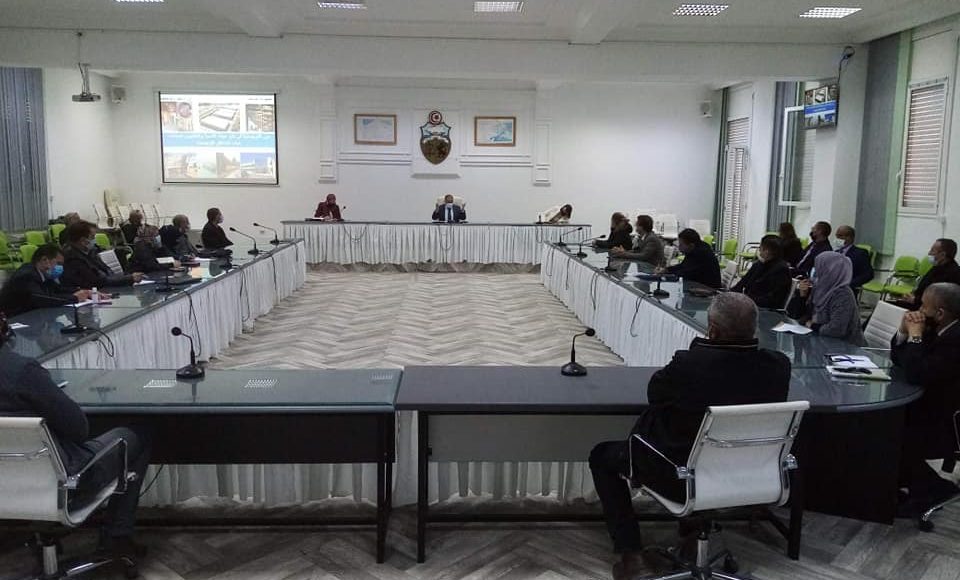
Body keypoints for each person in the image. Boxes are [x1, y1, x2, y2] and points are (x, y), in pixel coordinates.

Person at [589, 293, 790, 579]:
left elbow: (655, 393)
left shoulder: (690, 365)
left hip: (681, 477)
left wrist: (699, 348)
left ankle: (631, 555)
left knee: (602, 456)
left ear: (713, 330)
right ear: (755, 329)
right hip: (748, 476)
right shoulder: (779, 367)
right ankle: (694, 535)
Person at [0, 310, 151, 559]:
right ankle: (116, 536)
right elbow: (79, 430)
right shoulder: (22, 370)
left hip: (7, 484)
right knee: (137, 435)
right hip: (68, 481)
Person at [892, 283, 960, 516]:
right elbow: (901, 361)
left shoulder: (955, 339)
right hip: (930, 401)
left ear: (940, 313)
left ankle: (925, 493)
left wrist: (915, 337)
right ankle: (914, 481)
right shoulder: (938, 328)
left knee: (896, 427)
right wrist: (904, 332)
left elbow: (916, 372)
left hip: (947, 417)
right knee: (890, 420)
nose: (919, 311)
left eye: (923, 306)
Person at [787, 251, 865, 345]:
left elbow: (836, 330)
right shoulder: (820, 287)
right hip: (820, 341)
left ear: (830, 271)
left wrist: (813, 325)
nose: (816, 271)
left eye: (819, 267)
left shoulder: (843, 295)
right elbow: (797, 316)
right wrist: (802, 297)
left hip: (845, 347)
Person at [0, 245, 91, 316]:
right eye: (58, 263)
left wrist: (84, 291)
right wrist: (74, 298)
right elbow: (43, 299)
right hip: (14, 319)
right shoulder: (26, 275)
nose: (61, 268)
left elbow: (58, 289)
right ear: (44, 260)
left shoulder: (42, 274)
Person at [62, 222, 142, 289]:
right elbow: (98, 282)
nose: (94, 240)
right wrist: (129, 279)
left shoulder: (91, 252)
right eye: (92, 237)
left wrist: (128, 277)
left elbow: (108, 272)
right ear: (83, 241)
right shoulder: (73, 259)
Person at [895, 239, 960, 311]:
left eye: (932, 250)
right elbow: (923, 287)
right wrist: (911, 296)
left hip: (928, 311)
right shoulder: (937, 267)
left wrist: (915, 300)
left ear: (942, 255)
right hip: (918, 303)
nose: (929, 253)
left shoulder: (954, 273)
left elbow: (941, 302)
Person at [732, 236, 792, 309]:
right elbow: (741, 284)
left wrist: (745, 299)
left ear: (767, 251)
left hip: (764, 309)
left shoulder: (781, 270)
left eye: (760, 248)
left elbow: (772, 300)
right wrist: (729, 295)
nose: (759, 251)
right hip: (751, 303)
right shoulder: (759, 264)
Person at [834, 225, 874, 289]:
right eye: (836, 236)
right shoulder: (835, 252)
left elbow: (868, 274)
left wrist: (849, 284)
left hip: (848, 287)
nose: (837, 238)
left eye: (840, 236)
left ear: (849, 238)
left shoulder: (860, 253)